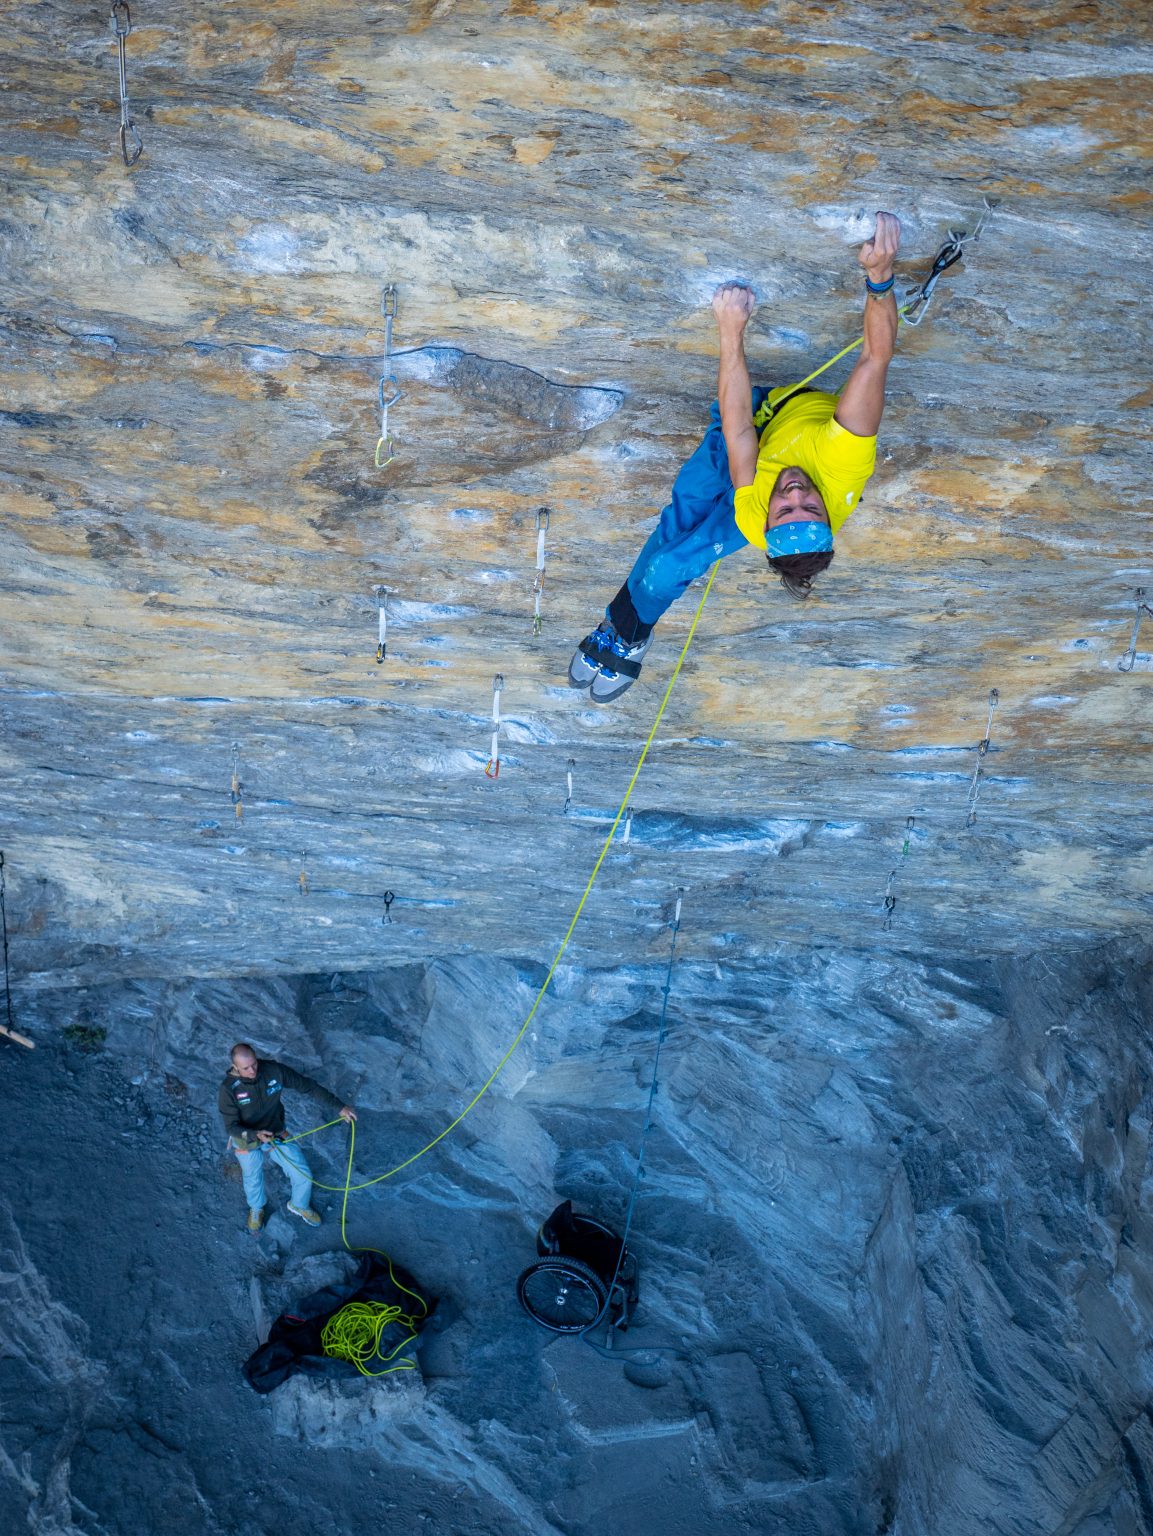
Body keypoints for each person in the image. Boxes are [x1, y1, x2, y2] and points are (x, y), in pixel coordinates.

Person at [569, 211, 902, 703]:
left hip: (750, 437)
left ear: (767, 524)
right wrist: (880, 276)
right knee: (670, 553)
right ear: (828, 510)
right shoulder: (843, 456)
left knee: (673, 541)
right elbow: (876, 355)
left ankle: (622, 630)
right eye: (808, 506)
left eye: (785, 509)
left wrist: (729, 332)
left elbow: (737, 428)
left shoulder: (754, 522)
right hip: (775, 414)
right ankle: (629, 634)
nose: (793, 493)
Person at [218, 1042, 357, 1232]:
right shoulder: (229, 1089)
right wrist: (255, 1135)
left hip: (275, 1131)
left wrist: (340, 1107)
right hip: (246, 1139)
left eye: (254, 1064)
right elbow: (231, 1127)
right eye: (245, 1068)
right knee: (252, 1175)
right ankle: (256, 1208)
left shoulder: (274, 1071)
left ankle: (299, 1205)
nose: (252, 1070)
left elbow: (308, 1086)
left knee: (303, 1174)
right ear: (235, 1067)